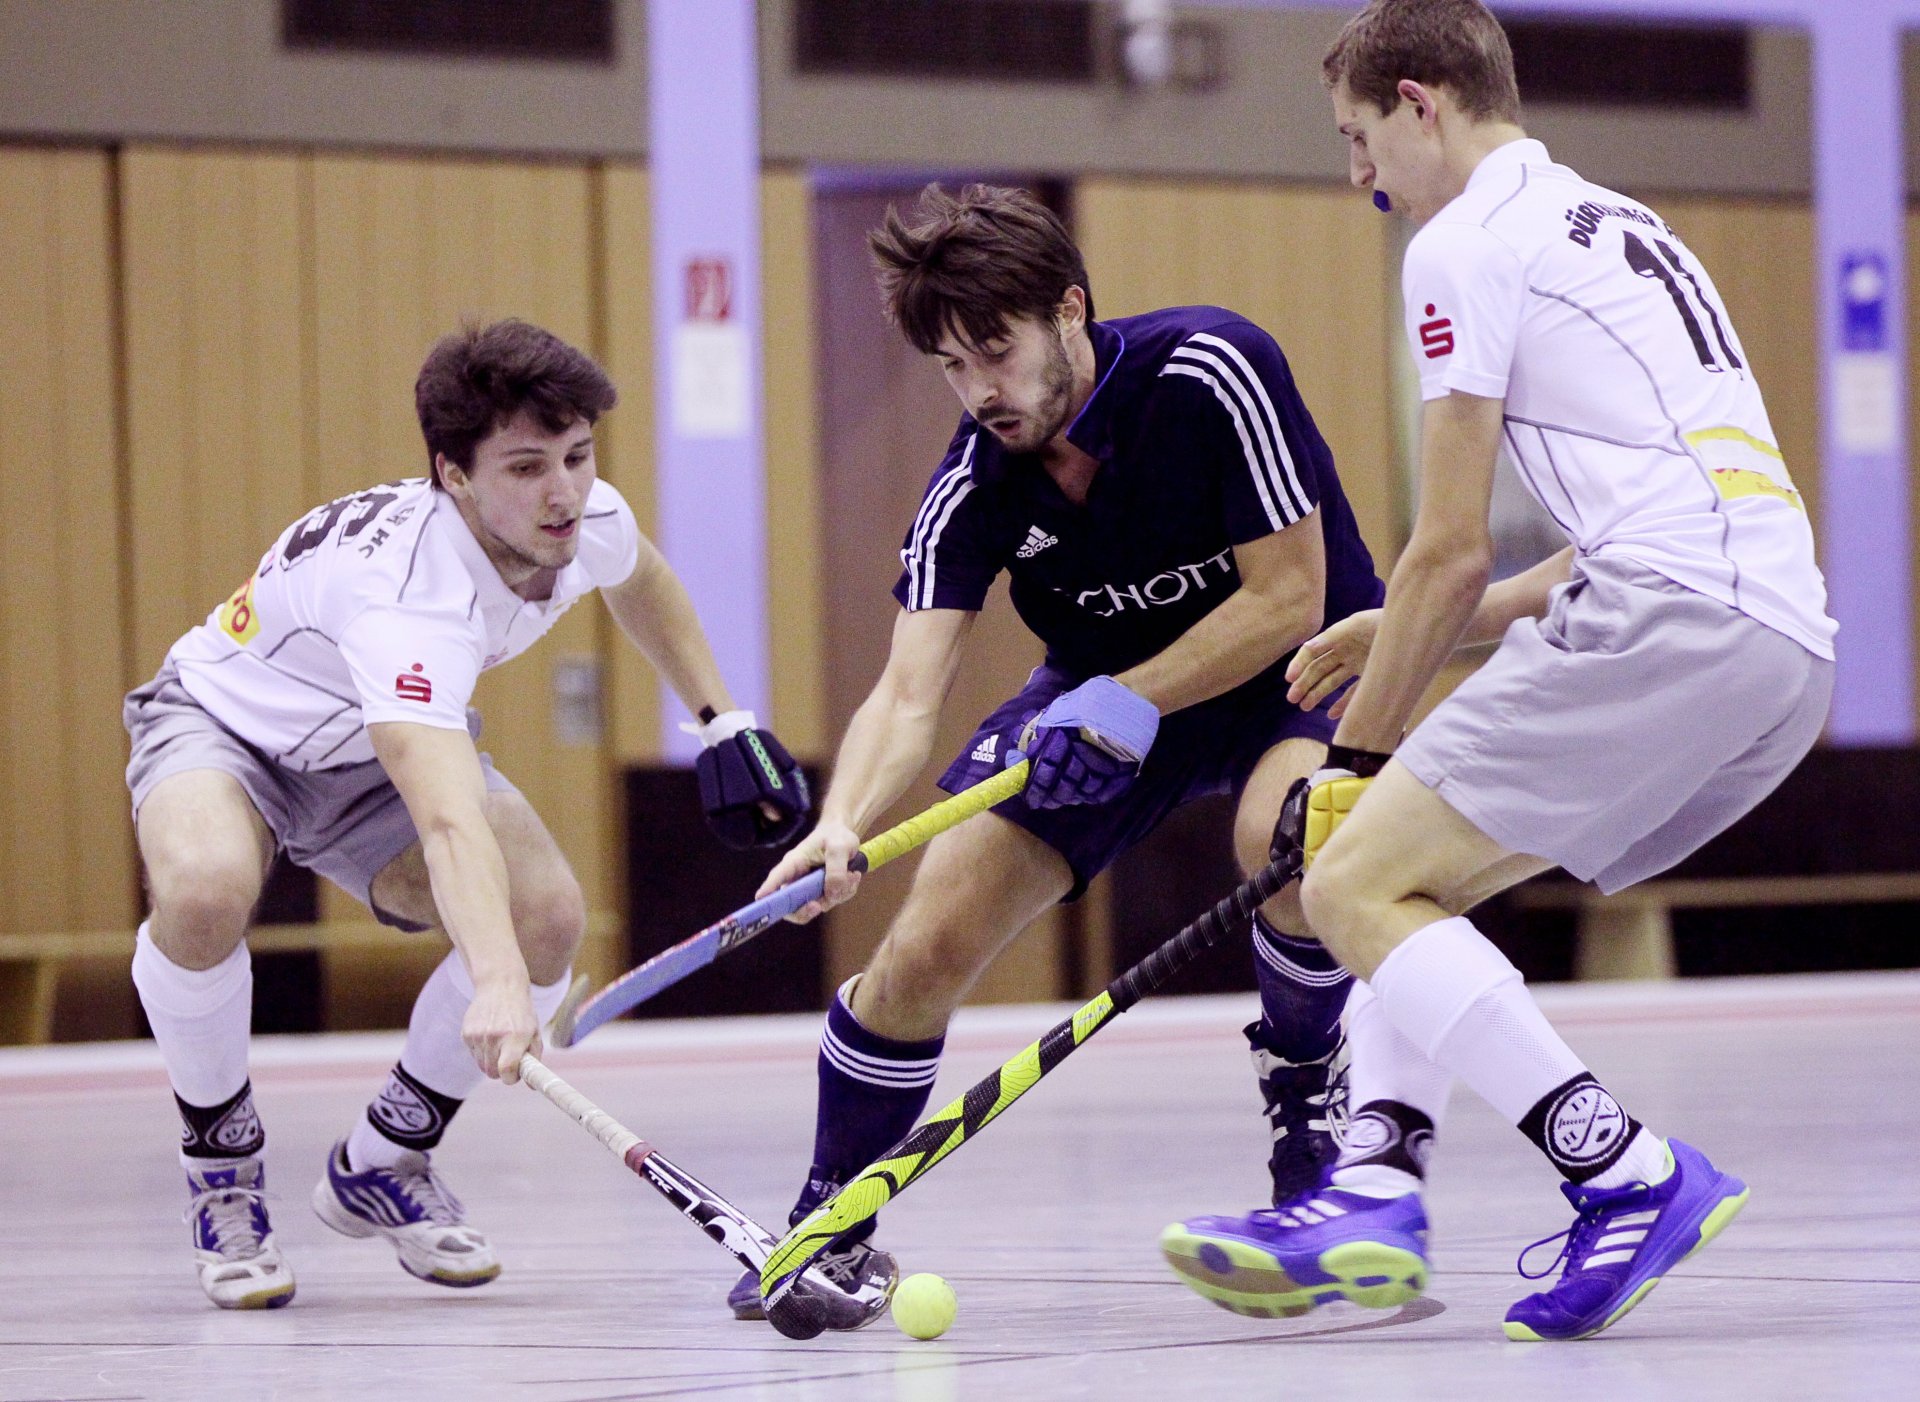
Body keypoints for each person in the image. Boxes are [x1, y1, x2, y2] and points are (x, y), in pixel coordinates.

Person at [1162, 0, 1835, 1343]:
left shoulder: (1458, 241)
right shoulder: (1614, 219)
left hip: (1670, 620)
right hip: (1776, 646)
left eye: (1359, 137)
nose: (1356, 173)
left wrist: (1354, 758)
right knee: (1401, 887)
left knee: (1347, 869)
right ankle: (1374, 1183)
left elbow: (1447, 548)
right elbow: (1606, 527)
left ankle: (1625, 1170)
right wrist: (1430, 645)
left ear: (1421, 103)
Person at [731, 183, 1386, 1321]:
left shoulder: (1210, 368)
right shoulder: (974, 483)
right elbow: (906, 687)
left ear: (1069, 310)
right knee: (927, 934)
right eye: (952, 365)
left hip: (1301, 662)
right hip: (1100, 702)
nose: (982, 389)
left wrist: (1127, 697)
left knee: (1289, 842)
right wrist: (841, 826)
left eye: (997, 349)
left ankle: (1307, 1088)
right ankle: (832, 1218)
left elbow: (1291, 595)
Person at [124, 319, 809, 1310]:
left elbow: (644, 580)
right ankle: (223, 1166)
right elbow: (446, 819)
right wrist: (493, 984)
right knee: (203, 889)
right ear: (453, 473)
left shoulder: (582, 519)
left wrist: (722, 719)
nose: (563, 489)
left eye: (576, 457)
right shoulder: (408, 597)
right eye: (527, 467)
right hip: (228, 730)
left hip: (366, 748)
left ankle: (385, 1161)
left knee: (548, 920)